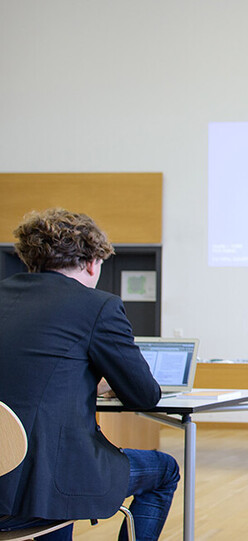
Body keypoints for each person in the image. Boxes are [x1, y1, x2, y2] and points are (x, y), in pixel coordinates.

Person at [0, 209, 180, 541]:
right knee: (165, 470)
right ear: (92, 262)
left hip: (10, 484)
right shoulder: (97, 306)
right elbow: (144, 396)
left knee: (52, 460)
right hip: (41, 494)